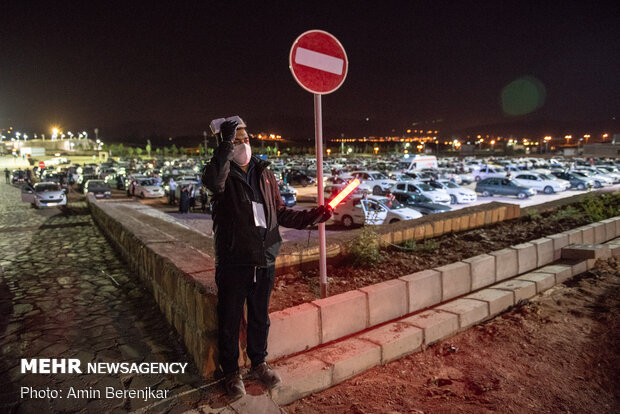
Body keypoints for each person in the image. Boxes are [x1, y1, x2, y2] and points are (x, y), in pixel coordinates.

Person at [202, 118, 332, 400]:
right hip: (234, 260)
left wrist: (312, 217)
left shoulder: (264, 171)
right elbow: (214, 183)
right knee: (229, 319)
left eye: (246, 138)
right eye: (236, 140)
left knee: (260, 317)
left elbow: (280, 212)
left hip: (265, 258)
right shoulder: (218, 173)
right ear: (224, 144)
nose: (244, 144)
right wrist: (225, 146)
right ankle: (231, 372)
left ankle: (258, 362)